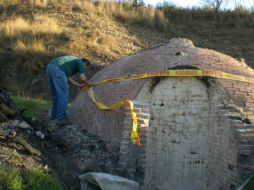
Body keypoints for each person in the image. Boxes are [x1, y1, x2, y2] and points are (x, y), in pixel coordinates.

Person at [46, 55, 90, 126]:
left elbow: (68, 78)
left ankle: (53, 116)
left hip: (50, 67)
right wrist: (88, 84)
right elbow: (82, 77)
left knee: (55, 95)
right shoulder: (81, 62)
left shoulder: (70, 62)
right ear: (85, 64)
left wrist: (78, 85)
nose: (84, 68)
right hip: (58, 69)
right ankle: (61, 118)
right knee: (63, 95)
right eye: (85, 67)